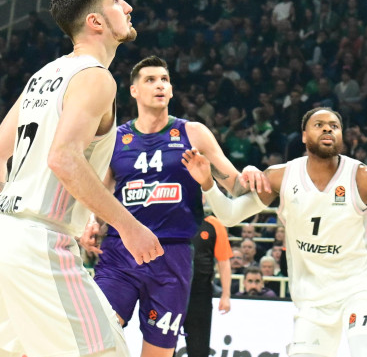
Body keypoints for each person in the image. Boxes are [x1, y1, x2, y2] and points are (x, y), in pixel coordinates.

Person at [181, 108, 367, 357]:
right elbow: (231, 216)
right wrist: (208, 183)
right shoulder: (281, 177)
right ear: (304, 136)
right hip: (310, 301)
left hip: (359, 290)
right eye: (319, 125)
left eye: (334, 126)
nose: (328, 130)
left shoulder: (365, 179)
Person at [0, 0, 162, 357]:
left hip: (0, 234)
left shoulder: (43, 75)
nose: (127, 7)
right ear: (95, 22)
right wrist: (130, 227)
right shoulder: (96, 78)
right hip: (38, 242)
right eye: (116, 1)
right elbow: (63, 158)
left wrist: (16, 216)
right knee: (105, 351)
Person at [82, 56, 267, 357]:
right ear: (133, 91)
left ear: (171, 90)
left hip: (173, 256)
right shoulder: (115, 139)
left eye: (164, 80)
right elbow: (101, 195)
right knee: (97, 338)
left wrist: (251, 170)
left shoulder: (192, 133)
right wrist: (91, 221)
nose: (159, 85)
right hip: (121, 253)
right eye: (150, 80)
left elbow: (234, 184)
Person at [184, 215, 232, 357]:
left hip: (200, 294)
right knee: (164, 346)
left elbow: (224, 261)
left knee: (199, 348)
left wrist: (226, 295)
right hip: (171, 292)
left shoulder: (213, 224)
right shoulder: (171, 218)